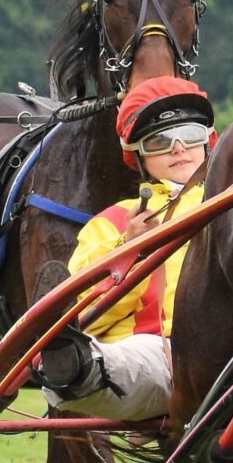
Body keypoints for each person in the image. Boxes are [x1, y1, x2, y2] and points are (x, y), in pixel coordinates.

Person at [33, 77, 215, 423]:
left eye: (190, 135)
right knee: (116, 360)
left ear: (209, 140)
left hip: (230, 345)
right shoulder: (112, 222)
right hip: (154, 351)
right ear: (138, 156)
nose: (178, 148)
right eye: (160, 140)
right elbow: (92, 314)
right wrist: (130, 250)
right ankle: (71, 365)